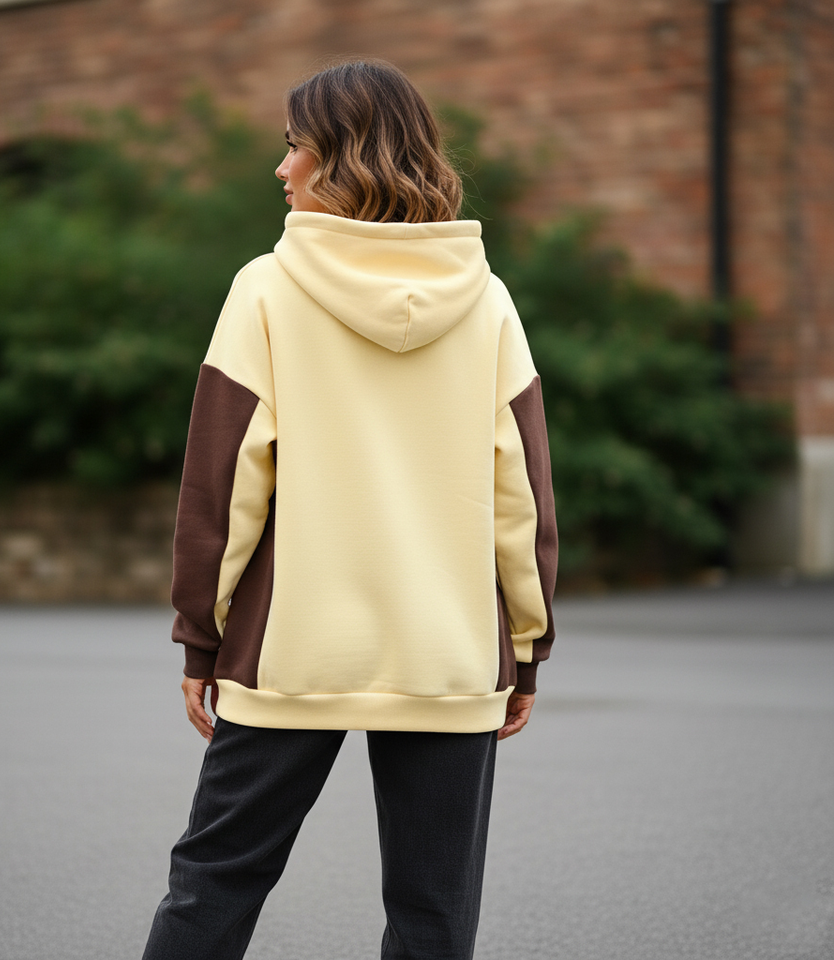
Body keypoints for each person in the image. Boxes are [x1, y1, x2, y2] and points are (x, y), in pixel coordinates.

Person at [142, 60, 557, 960]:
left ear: (344, 158)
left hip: (292, 654)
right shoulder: (487, 302)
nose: (281, 167)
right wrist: (526, 646)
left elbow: (223, 485)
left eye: (295, 146)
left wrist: (201, 636)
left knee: (213, 885)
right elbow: (519, 499)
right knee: (433, 916)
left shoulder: (266, 288)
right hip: (447, 658)